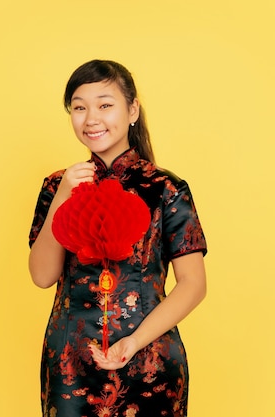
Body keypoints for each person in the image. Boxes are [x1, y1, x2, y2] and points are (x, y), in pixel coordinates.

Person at [28, 59, 207, 417]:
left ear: (132, 111)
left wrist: (134, 342)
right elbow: (42, 276)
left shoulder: (166, 188)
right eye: (79, 107)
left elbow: (193, 284)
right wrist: (63, 196)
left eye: (105, 104)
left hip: (150, 362)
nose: (91, 118)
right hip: (70, 366)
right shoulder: (56, 186)